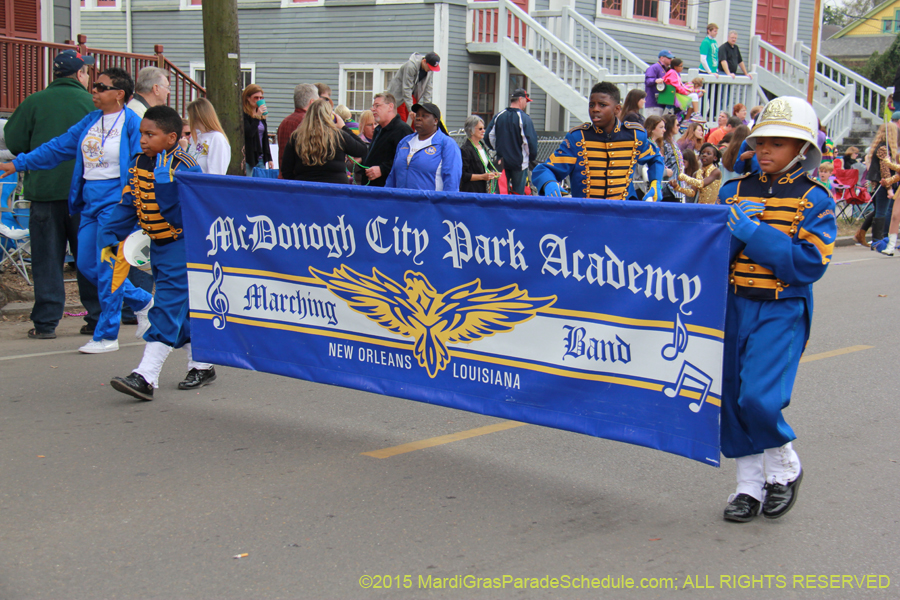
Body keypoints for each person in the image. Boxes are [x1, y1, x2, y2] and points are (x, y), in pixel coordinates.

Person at [717, 96, 835, 523]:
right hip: (732, 306)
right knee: (732, 398)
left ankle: (784, 468)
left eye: (780, 143)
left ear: (803, 150)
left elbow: (809, 264)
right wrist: (730, 234)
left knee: (760, 399)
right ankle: (748, 485)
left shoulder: (815, 198)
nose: (766, 150)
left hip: (781, 308)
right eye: (762, 141)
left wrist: (753, 232)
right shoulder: (733, 190)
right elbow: (710, 255)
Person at [1, 68, 153, 354]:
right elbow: (57, 147)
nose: (93, 90)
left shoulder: (133, 124)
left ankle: (107, 335)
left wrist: (132, 203)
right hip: (90, 204)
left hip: (117, 207)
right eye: (94, 85)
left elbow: (141, 164)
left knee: (108, 267)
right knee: (87, 266)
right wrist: (19, 163)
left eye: (101, 87)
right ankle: (143, 300)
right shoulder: (91, 120)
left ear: (119, 94)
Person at [102, 105, 215, 400]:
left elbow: (184, 217)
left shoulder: (185, 166)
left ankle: (146, 376)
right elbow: (131, 203)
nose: (143, 139)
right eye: (142, 133)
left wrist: (166, 188)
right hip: (157, 246)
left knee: (165, 306)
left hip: (184, 246)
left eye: (150, 134)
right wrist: (111, 235)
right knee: (180, 308)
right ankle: (202, 364)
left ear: (171, 138)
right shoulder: (140, 161)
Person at [0, 49, 101, 340]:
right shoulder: (91, 105)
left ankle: (45, 322)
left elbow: (16, 140)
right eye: (86, 72)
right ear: (80, 74)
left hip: (44, 191)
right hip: (84, 194)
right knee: (87, 257)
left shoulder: (34, 101)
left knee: (46, 259)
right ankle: (95, 317)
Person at [532, 81, 663, 201]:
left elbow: (656, 158)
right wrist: (548, 182)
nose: (595, 109)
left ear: (617, 109)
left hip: (622, 216)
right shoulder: (577, 138)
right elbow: (545, 170)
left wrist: (655, 182)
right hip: (586, 216)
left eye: (602, 105)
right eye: (591, 105)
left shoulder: (635, 135)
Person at [281, 98, 369, 184]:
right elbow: (363, 149)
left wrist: (298, 182)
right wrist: (344, 127)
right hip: (336, 188)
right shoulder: (338, 135)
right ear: (330, 116)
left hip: (306, 188)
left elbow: (286, 170)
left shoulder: (297, 137)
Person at [385, 103, 462, 191]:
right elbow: (392, 177)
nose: (418, 118)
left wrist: (446, 203)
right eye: (417, 115)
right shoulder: (405, 142)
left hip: (429, 203)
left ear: (435, 121)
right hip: (401, 202)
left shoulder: (447, 145)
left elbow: (452, 181)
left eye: (424, 116)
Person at [484, 88, 538, 195]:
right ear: (520, 99)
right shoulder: (524, 118)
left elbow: (488, 137)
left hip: (502, 162)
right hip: (519, 163)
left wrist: (497, 148)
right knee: (518, 195)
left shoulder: (499, 116)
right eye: (526, 101)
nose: (526, 104)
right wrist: (531, 157)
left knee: (501, 193)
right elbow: (530, 142)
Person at [356, 92, 413, 187]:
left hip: (387, 191)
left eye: (377, 106)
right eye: (373, 106)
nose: (372, 109)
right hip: (371, 188)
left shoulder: (403, 130)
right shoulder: (379, 130)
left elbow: (407, 161)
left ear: (390, 107)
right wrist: (362, 159)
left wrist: (382, 169)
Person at [386, 52, 440, 126]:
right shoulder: (410, 66)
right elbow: (406, 88)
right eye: (430, 67)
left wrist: (427, 108)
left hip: (411, 96)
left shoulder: (429, 71)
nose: (431, 70)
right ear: (424, 61)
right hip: (399, 96)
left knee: (414, 120)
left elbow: (428, 89)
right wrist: (410, 109)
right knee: (401, 121)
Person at [185, 98, 230, 175]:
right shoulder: (196, 137)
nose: (188, 120)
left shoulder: (216, 138)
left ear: (197, 117)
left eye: (189, 116)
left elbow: (216, 172)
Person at [276, 83, 318, 166]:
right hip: (300, 175)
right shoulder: (308, 122)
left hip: (283, 174)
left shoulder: (284, 122)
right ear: (312, 102)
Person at [459, 115, 500, 194]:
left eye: (484, 128)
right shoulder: (465, 149)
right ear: (471, 131)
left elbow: (485, 167)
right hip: (471, 191)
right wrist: (482, 177)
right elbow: (463, 175)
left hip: (483, 189)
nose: (483, 131)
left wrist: (492, 174)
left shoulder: (482, 146)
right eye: (480, 129)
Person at [241, 84, 273, 175]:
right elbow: (249, 133)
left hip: (261, 157)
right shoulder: (244, 115)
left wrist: (269, 158)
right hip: (249, 157)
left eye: (261, 98)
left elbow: (264, 138)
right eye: (256, 98)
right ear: (248, 98)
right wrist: (257, 117)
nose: (259, 100)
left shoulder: (261, 115)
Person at [644, 50, 674, 117]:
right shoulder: (654, 67)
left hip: (662, 103)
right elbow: (648, 81)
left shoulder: (667, 69)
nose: (671, 60)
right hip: (653, 103)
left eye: (671, 58)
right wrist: (656, 80)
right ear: (662, 58)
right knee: (653, 125)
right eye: (669, 58)